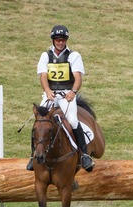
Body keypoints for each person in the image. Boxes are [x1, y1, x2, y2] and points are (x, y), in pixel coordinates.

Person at [27, 25, 94, 172]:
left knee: (73, 120)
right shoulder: (45, 56)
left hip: (66, 95)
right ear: (53, 40)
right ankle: (33, 156)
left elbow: (77, 77)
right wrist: (47, 90)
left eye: (63, 40)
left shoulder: (73, 56)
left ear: (66, 40)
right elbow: (43, 76)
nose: (60, 42)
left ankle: (84, 156)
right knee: (39, 121)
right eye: (57, 40)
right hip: (51, 94)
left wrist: (73, 92)